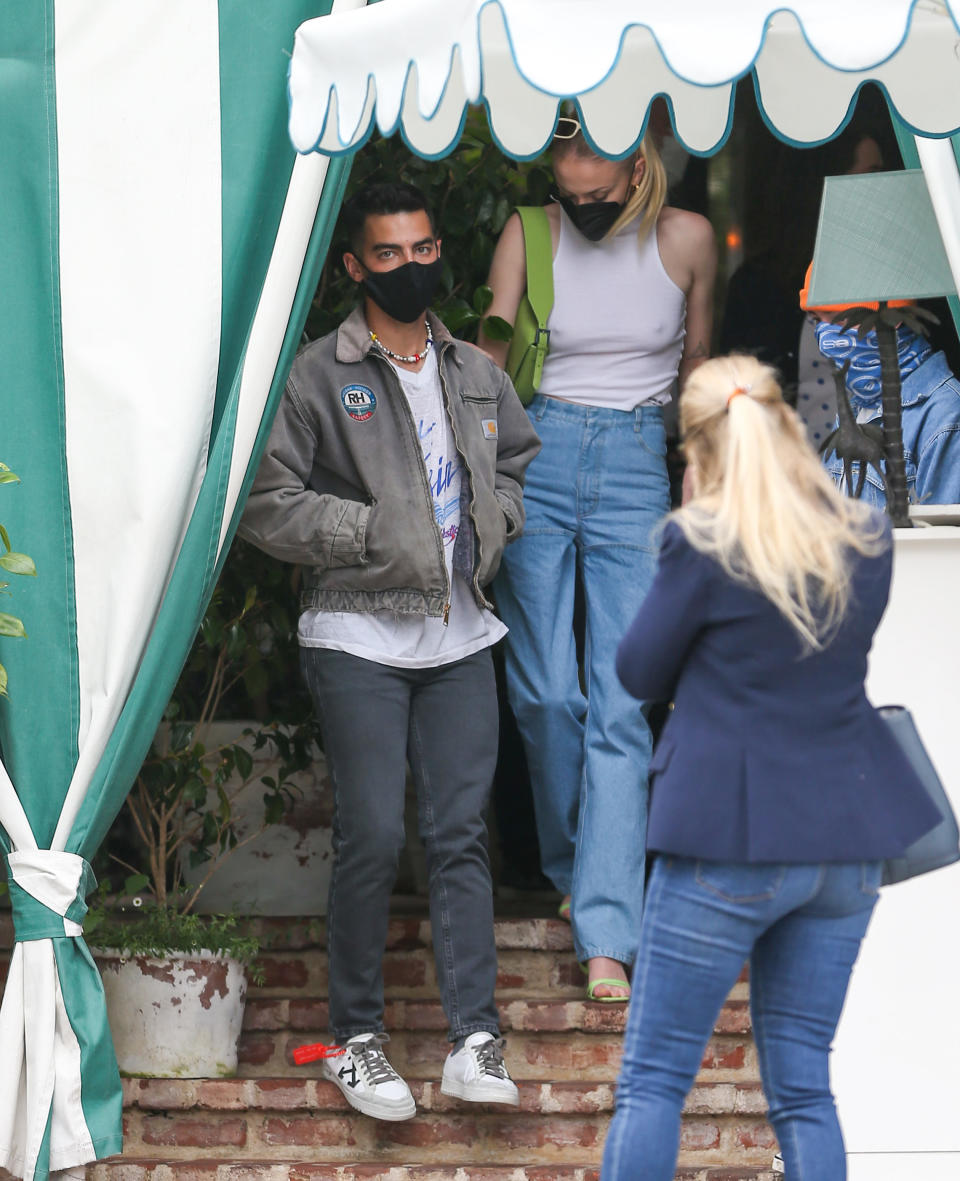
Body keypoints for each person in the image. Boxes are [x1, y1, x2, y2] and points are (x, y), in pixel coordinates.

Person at [239, 181, 541, 1121]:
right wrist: (370, 531)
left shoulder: (475, 371)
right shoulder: (318, 376)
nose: (411, 267)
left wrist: (498, 518)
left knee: (460, 834)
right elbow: (264, 502)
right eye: (388, 255)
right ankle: (357, 1040)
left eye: (422, 250)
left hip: (460, 634)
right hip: (357, 633)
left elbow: (517, 462)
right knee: (372, 830)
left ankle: (475, 1042)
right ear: (353, 266)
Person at [601, 355, 941, 1180]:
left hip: (730, 841)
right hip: (848, 846)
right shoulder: (864, 536)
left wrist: (692, 521)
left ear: (697, 450)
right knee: (803, 1090)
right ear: (785, 422)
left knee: (652, 1084)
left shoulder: (700, 542)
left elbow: (639, 673)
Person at [478, 121, 716, 1001]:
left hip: (631, 466)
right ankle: (582, 861)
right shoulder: (527, 231)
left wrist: (696, 462)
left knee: (623, 702)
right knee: (545, 692)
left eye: (595, 177)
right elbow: (492, 362)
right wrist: (470, 472)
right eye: (565, 176)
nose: (578, 192)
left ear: (638, 157)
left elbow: (697, 365)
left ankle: (608, 929)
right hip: (535, 454)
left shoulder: (687, 239)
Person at [798, 272, 960, 508]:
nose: (825, 337)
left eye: (838, 318)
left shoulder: (944, 417)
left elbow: (942, 543)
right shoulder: (857, 406)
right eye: (816, 320)